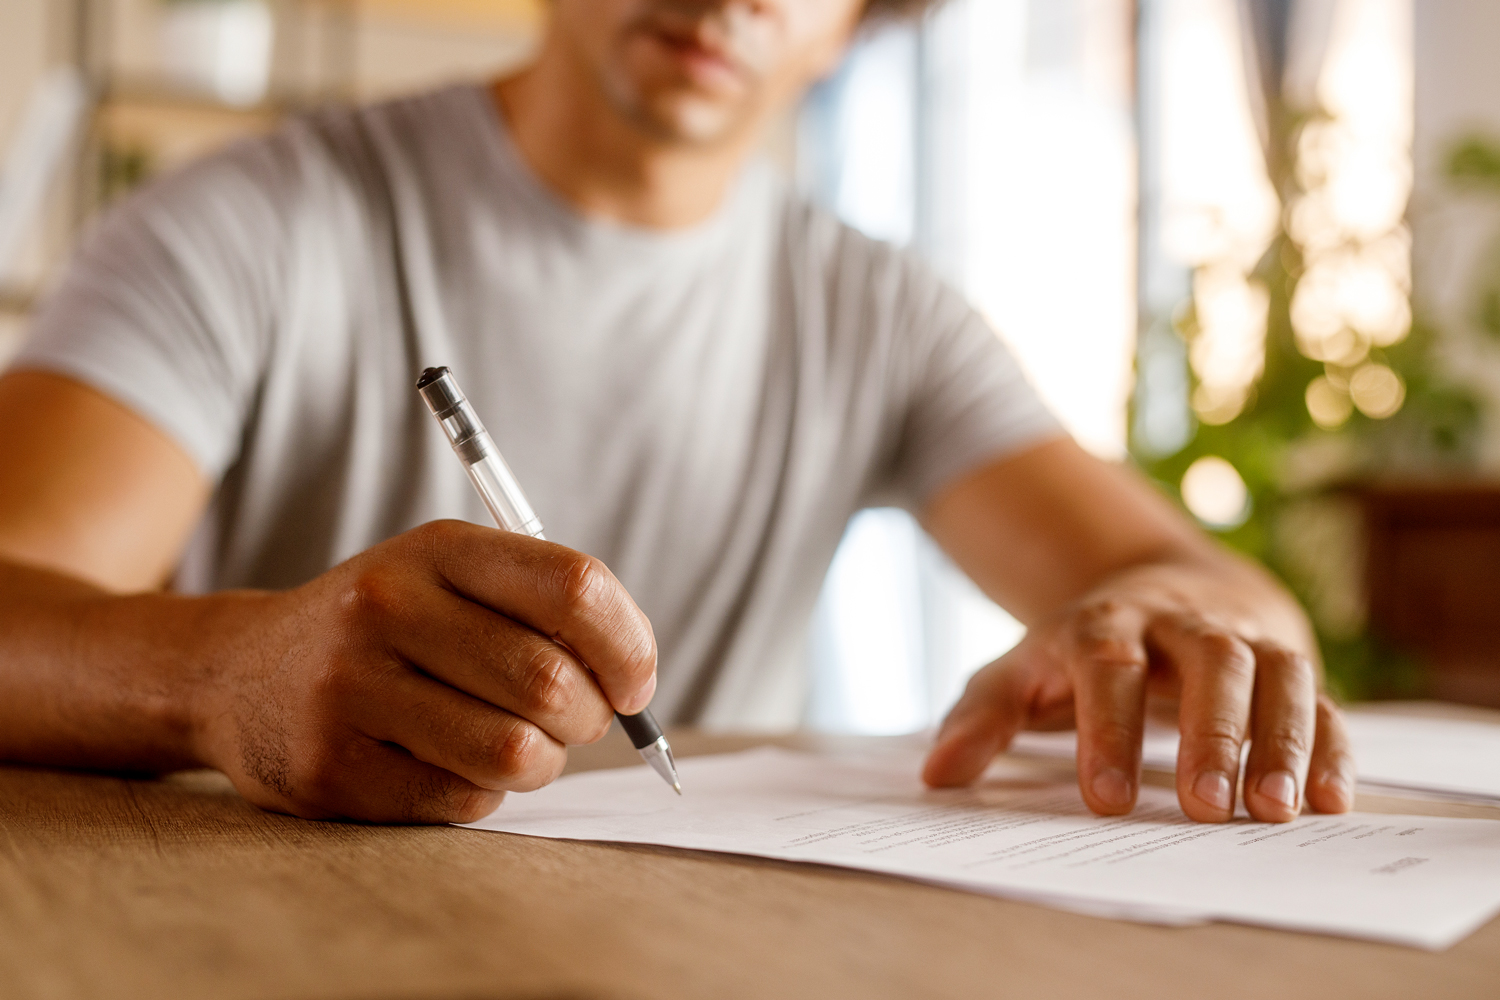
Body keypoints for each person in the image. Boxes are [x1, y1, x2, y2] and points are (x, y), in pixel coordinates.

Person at [0, 0, 1352, 826]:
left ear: (853, 23)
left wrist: (1162, 621)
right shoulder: (244, 226)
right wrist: (221, 681)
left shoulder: (881, 313)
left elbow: (1227, 596)